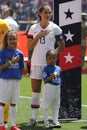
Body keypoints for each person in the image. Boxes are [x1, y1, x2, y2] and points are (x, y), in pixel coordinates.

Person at [26, 4, 65, 126]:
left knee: (51, 93)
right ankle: (33, 119)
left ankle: (53, 120)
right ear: (40, 13)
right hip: (36, 63)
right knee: (35, 93)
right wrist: (39, 35)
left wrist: (53, 55)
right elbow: (29, 46)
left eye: (49, 12)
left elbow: (62, 46)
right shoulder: (33, 28)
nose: (48, 15)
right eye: (46, 12)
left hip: (50, 66)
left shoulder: (56, 28)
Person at [0, 30, 24, 130]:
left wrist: (18, 75)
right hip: (5, 80)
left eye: (14, 39)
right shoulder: (2, 52)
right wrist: (11, 62)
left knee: (14, 102)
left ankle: (13, 125)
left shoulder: (20, 53)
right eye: (10, 39)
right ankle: (1, 124)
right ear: (6, 40)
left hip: (16, 80)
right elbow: (1, 67)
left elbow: (21, 67)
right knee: (2, 102)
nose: (12, 41)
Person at [2, 7, 19, 127]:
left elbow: (9, 36)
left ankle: (6, 122)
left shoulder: (3, 24)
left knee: (6, 100)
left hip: (10, 76)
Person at [42, 49, 62, 128]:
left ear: (56, 58)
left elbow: (60, 79)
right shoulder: (46, 68)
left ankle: (55, 121)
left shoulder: (59, 68)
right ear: (46, 59)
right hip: (49, 87)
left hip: (57, 88)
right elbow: (45, 80)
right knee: (46, 105)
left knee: (56, 105)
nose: (51, 60)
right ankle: (46, 122)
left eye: (53, 58)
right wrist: (53, 75)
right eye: (49, 58)